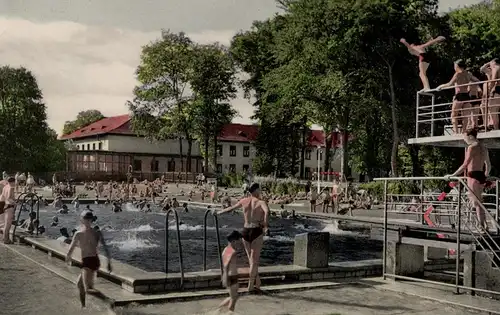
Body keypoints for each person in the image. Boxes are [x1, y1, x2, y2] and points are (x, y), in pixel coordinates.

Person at [216, 183, 269, 293]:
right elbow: (267, 212)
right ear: (257, 190)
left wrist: (219, 212)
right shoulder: (261, 202)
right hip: (256, 230)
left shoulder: (244, 201)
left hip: (245, 230)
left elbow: (231, 208)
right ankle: (251, 286)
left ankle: (257, 282)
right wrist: (265, 225)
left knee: (250, 258)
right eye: (259, 190)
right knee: (254, 261)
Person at [445, 128, 491, 231]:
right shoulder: (483, 147)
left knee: (476, 203)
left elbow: (465, 165)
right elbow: (488, 164)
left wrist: (452, 175)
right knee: (479, 201)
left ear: (470, 136)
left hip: (473, 176)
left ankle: (482, 226)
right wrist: (486, 175)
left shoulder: (472, 147)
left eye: (465, 137)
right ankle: (484, 225)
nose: (464, 139)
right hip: (480, 175)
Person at [66, 210, 112, 308]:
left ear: (81, 220)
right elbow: (105, 248)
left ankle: (109, 300)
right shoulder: (97, 232)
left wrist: (68, 257)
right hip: (94, 260)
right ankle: (83, 307)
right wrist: (109, 263)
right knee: (80, 285)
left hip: (88, 262)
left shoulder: (78, 233)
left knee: (88, 289)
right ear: (92, 219)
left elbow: (71, 247)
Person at [436, 60, 480, 133]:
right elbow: (477, 80)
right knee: (465, 116)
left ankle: (455, 132)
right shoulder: (468, 74)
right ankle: (464, 132)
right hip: (466, 96)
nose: (454, 67)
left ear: (458, 66)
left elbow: (449, 84)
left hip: (459, 96)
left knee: (454, 115)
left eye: (454, 66)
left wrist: (440, 86)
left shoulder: (457, 74)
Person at [218, 230, 242, 312]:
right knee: (233, 299)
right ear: (234, 241)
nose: (240, 241)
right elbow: (226, 265)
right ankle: (229, 313)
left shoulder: (226, 249)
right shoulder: (231, 251)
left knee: (233, 296)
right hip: (232, 277)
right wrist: (225, 278)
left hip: (231, 276)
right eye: (239, 240)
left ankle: (219, 309)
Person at [0, 177, 16, 244]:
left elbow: (2, 198)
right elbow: (9, 197)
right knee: (8, 224)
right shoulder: (11, 188)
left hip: (5, 206)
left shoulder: (5, 187)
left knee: (5, 223)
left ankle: (4, 238)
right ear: (13, 182)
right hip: (10, 206)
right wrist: (15, 203)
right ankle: (6, 239)